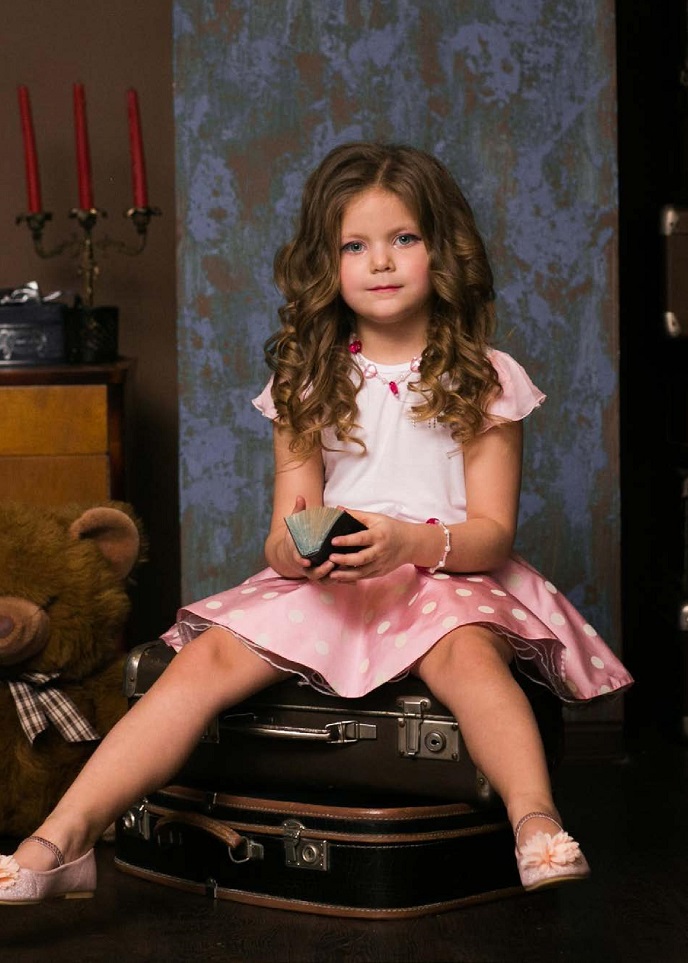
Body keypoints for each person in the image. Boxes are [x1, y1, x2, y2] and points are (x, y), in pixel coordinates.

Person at [0, 142, 633, 904]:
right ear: (325, 265)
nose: (381, 261)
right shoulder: (305, 381)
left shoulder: (486, 376)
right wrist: (298, 555)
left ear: (444, 249)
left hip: (444, 572)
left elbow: (493, 531)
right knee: (201, 661)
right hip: (338, 583)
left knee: (470, 658)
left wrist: (408, 542)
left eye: (404, 238)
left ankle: (536, 821)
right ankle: (63, 840)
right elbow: (283, 530)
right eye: (354, 246)